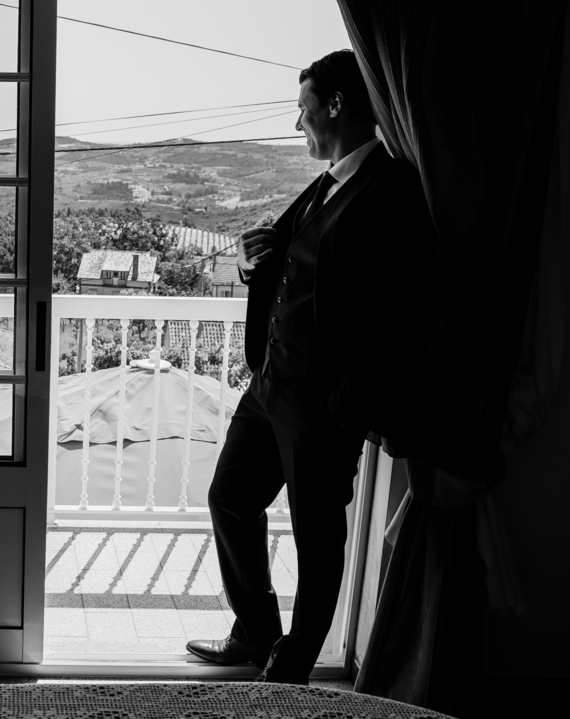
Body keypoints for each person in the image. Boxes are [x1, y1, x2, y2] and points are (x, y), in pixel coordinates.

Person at [184, 50, 435, 684]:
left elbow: (392, 320)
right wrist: (251, 264)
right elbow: (292, 268)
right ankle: (256, 632)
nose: (299, 124)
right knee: (229, 498)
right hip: (270, 386)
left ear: (336, 105)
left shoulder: (393, 191)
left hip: (320, 406)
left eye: (304, 109)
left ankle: (289, 672)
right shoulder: (326, 184)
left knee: (317, 543)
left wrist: (340, 409)